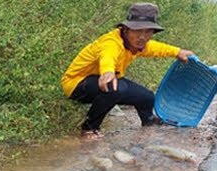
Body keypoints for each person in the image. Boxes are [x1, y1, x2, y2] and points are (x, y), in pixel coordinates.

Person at [61, 3, 195, 139]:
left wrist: (178, 52)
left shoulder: (136, 44)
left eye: (148, 31)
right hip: (76, 84)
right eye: (137, 31)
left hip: (108, 81)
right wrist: (107, 72)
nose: (142, 36)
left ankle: (149, 122)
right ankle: (89, 129)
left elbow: (155, 47)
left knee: (147, 97)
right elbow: (107, 55)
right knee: (115, 87)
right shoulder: (111, 42)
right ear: (125, 29)